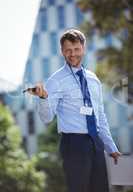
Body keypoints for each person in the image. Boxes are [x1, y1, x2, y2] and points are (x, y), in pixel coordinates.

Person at [28, 29, 121, 192]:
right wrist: (43, 98)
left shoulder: (93, 79)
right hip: (74, 144)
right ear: (62, 51)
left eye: (76, 49)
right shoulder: (56, 81)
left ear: (83, 48)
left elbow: (100, 116)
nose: (73, 54)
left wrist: (110, 147)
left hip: (96, 142)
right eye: (68, 50)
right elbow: (47, 118)